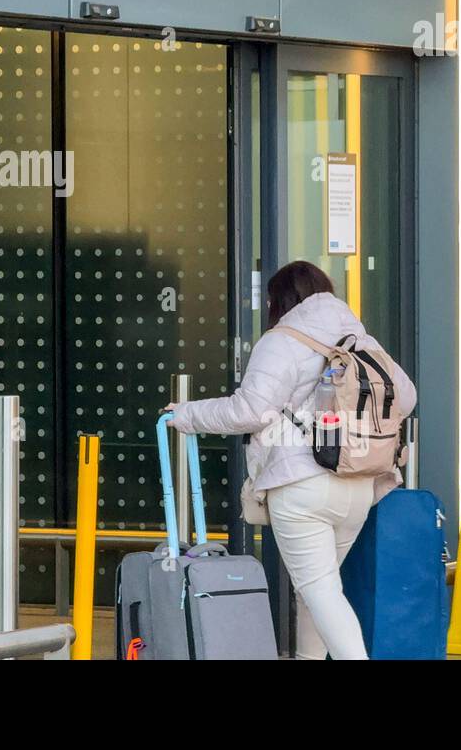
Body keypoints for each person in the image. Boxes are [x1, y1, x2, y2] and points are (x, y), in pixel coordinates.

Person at [165, 260, 415, 660]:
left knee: (321, 592)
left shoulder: (282, 340)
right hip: (360, 484)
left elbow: (249, 410)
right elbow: (407, 395)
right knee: (317, 590)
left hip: (303, 485)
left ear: (277, 300)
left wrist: (188, 415)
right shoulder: (362, 340)